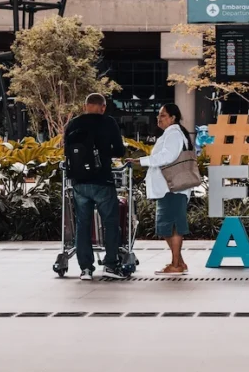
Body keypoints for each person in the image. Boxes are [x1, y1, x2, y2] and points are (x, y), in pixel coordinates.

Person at [63, 93, 127, 281]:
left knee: (83, 224)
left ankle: (86, 269)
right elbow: (119, 151)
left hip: (79, 182)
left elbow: (67, 151)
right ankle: (110, 264)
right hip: (102, 181)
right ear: (103, 107)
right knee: (110, 222)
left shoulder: (74, 124)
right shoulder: (108, 123)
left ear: (86, 105)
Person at [138, 103, 194, 275]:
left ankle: (176, 265)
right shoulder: (173, 134)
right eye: (159, 115)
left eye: (163, 115)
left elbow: (167, 157)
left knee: (172, 227)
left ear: (172, 118)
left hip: (172, 189)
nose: (159, 118)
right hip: (169, 189)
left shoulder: (174, 134)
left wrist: (141, 161)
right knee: (167, 226)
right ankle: (179, 263)